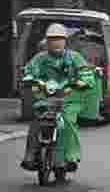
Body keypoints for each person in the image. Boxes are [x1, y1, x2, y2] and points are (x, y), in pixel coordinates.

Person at [17, 27, 100, 172]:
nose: (56, 42)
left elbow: (85, 72)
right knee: (36, 121)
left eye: (59, 39)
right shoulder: (40, 58)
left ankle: (71, 156)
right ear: (47, 42)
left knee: (68, 121)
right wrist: (30, 79)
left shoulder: (74, 57)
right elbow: (29, 71)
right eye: (52, 39)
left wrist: (82, 81)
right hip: (45, 98)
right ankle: (30, 156)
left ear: (65, 41)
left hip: (69, 99)